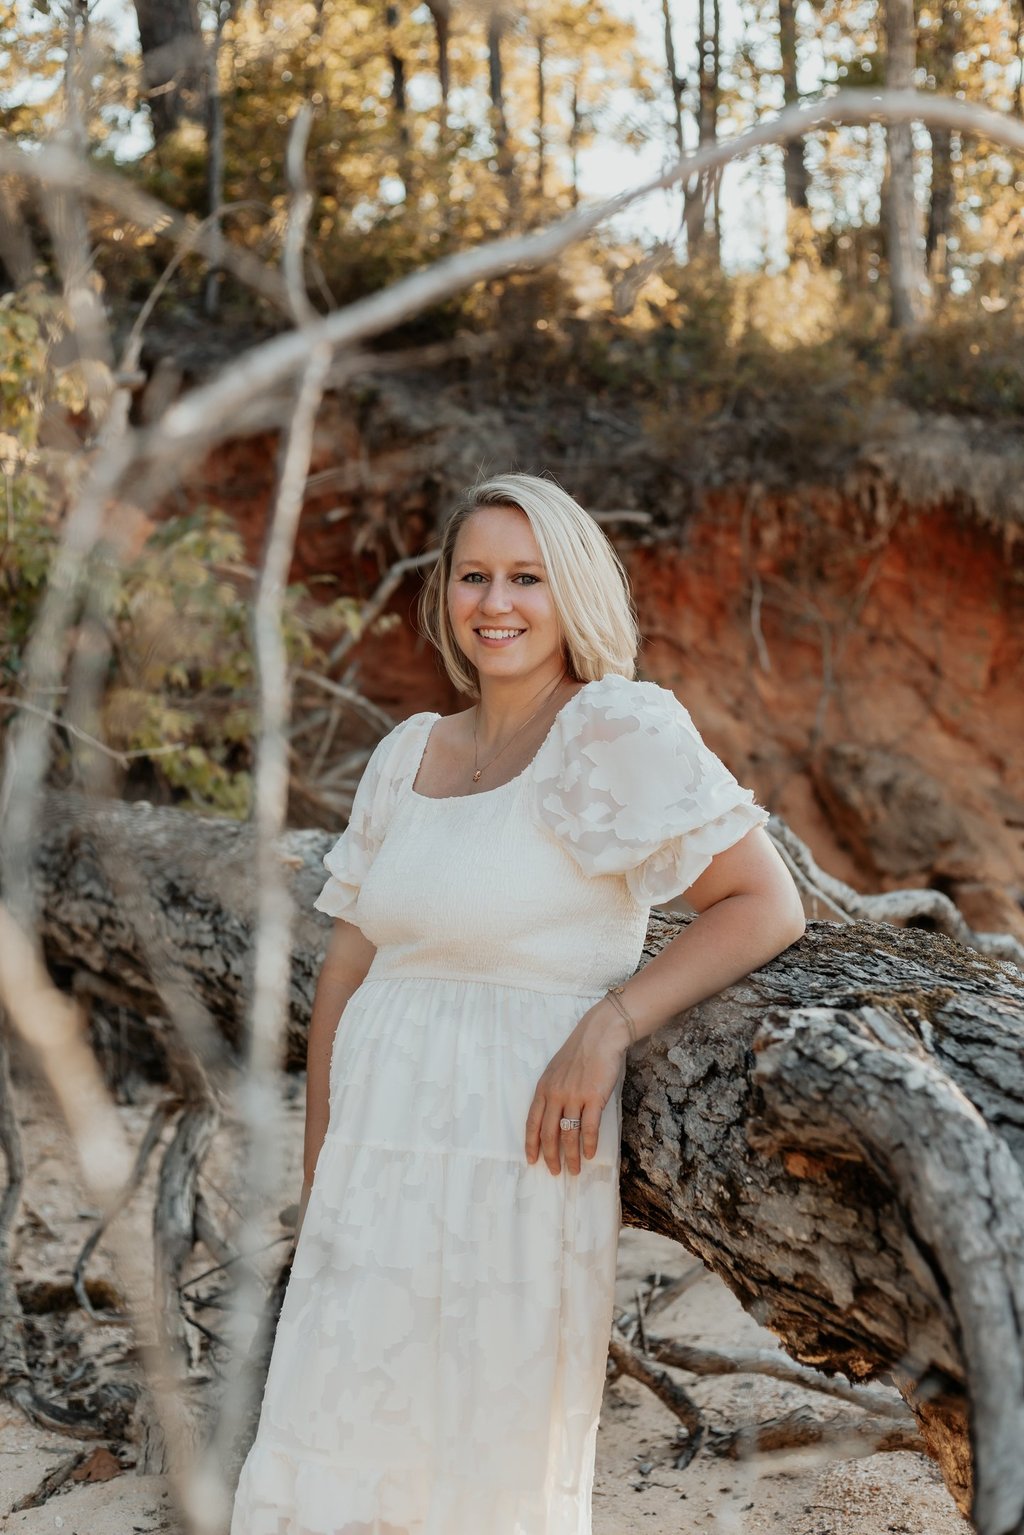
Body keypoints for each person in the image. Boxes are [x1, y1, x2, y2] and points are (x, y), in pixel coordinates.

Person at [229, 472, 806, 1535]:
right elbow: (348, 973)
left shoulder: (612, 730)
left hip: (518, 1153)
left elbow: (763, 903)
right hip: (374, 1157)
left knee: (483, 1454)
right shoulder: (409, 752)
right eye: (474, 575)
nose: (496, 601)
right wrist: (325, 1178)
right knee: (334, 1445)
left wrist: (611, 1020)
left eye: (527, 577)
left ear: (571, 590)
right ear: (444, 592)